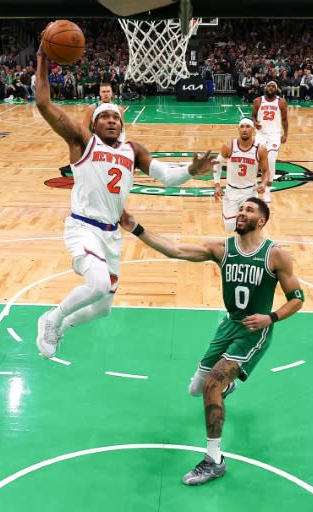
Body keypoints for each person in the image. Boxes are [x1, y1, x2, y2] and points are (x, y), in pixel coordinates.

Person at [33, 43, 214, 359]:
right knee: (99, 283)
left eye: (115, 117)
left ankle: (60, 326)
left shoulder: (133, 150)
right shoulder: (82, 142)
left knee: (102, 308)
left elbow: (168, 178)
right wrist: (42, 59)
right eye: (104, 117)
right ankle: (52, 318)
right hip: (83, 227)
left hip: (112, 235)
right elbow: (44, 102)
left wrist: (192, 170)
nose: (112, 120)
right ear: (94, 124)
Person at [119, 197, 304, 485]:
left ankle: (214, 460)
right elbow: (177, 250)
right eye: (241, 209)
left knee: (210, 385)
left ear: (262, 220)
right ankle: (228, 384)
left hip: (255, 332)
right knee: (196, 389)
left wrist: (271, 318)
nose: (242, 213)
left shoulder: (275, 255)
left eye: (249, 210)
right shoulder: (222, 249)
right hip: (228, 326)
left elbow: (297, 299)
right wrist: (136, 228)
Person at [213, 117, 269, 232]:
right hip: (231, 191)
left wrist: (263, 184)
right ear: (238, 129)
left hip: (250, 192)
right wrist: (217, 185)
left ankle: (244, 248)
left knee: (249, 227)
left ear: (253, 130)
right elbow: (216, 164)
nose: (244, 129)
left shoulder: (260, 149)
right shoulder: (229, 146)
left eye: (248, 127)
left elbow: (265, 171)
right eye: (242, 127)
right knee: (229, 228)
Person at [60, 81, 126, 177]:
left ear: (112, 93)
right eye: (103, 92)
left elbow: (122, 130)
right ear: (99, 93)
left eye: (108, 91)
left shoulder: (118, 109)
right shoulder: (92, 108)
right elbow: (83, 130)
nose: (106, 94)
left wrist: (120, 147)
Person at [252, 81, 289, 202]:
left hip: (274, 135)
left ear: (277, 89)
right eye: (269, 86)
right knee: (256, 162)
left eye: (273, 86)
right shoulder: (258, 101)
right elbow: (253, 116)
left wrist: (285, 134)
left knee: (271, 161)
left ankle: (267, 189)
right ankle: (254, 189)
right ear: (265, 87)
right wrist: (255, 123)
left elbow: (284, 119)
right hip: (261, 135)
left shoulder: (281, 102)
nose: (271, 88)